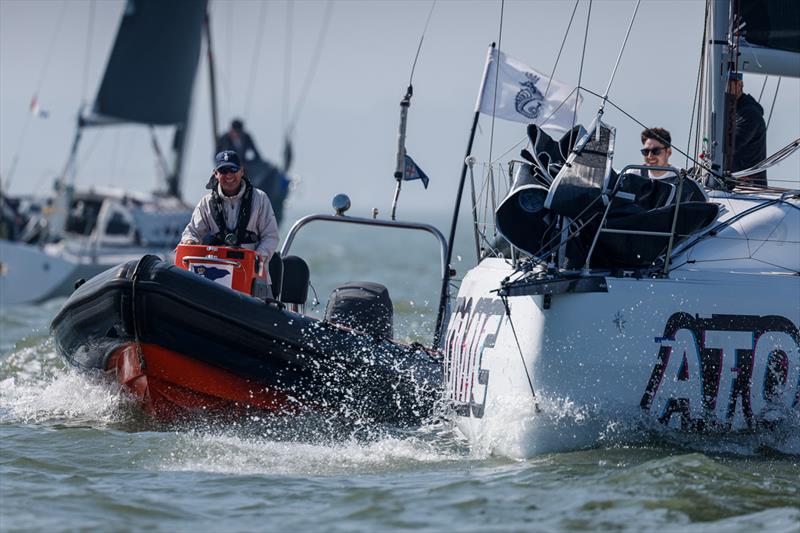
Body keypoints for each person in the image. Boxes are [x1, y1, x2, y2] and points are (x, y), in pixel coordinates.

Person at [181, 150, 279, 265]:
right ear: (216, 174)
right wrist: (190, 241)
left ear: (242, 171)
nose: (228, 175)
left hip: (252, 270)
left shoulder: (260, 199)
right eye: (223, 170)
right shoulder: (206, 202)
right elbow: (192, 232)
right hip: (216, 270)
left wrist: (257, 259)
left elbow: (271, 236)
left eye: (233, 170)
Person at [728, 72, 767, 186]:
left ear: (739, 85)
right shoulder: (731, 111)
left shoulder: (749, 114)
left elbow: (730, 148)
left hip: (750, 190)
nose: (723, 88)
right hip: (730, 185)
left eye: (727, 84)